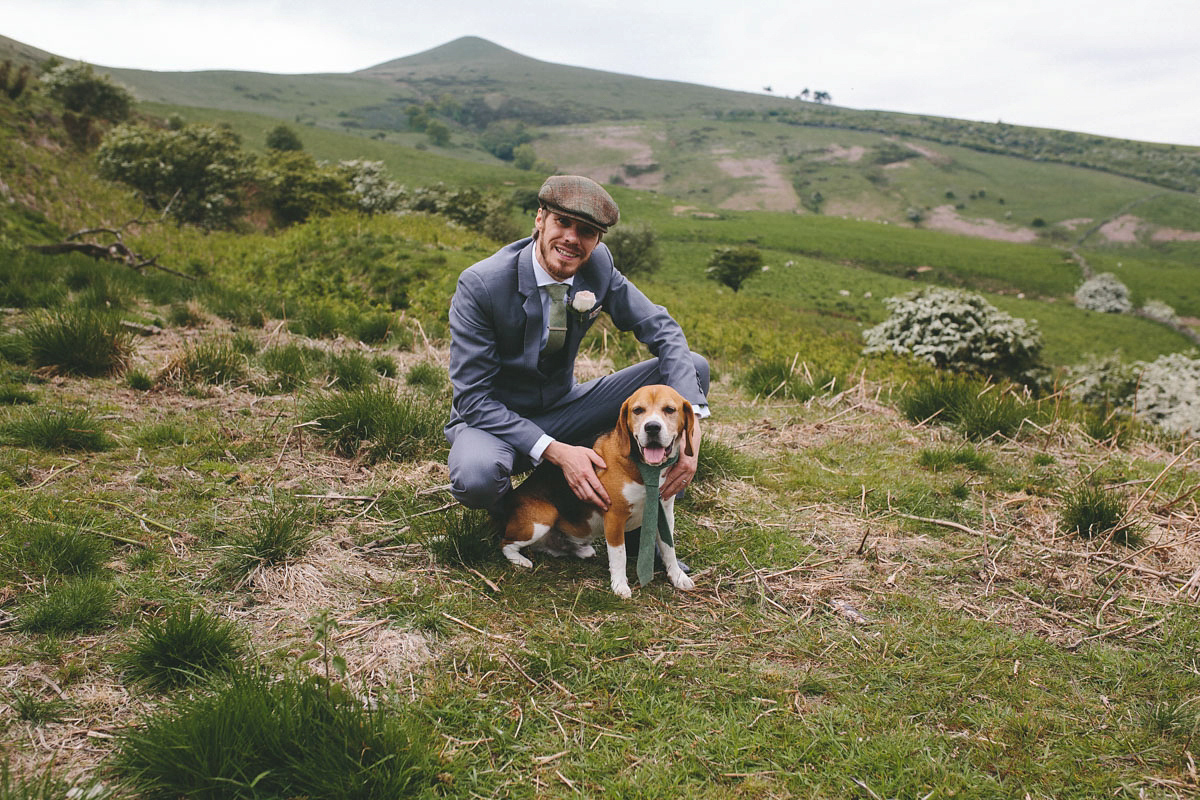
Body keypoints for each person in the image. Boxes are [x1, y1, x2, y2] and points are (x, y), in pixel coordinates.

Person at [445, 175, 710, 525]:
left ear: (598, 240)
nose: (572, 238)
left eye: (586, 231)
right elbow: (473, 399)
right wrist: (557, 452)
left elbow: (663, 328)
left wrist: (692, 432)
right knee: (476, 477)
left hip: (565, 407)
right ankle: (516, 516)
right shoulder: (481, 284)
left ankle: (643, 514)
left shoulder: (599, 265)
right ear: (540, 219)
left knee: (693, 367)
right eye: (562, 222)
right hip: (495, 422)